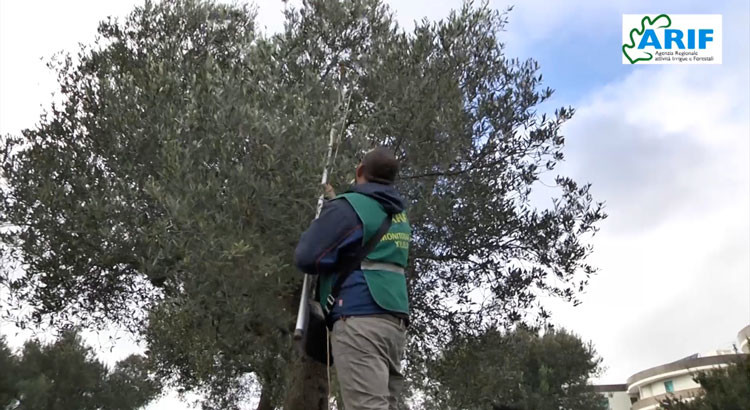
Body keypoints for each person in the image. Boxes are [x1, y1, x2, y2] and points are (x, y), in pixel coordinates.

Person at [295, 146, 411, 410]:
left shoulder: (349, 208)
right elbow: (363, 240)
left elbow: (307, 257)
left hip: (359, 319)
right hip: (393, 323)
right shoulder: (399, 215)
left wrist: (329, 215)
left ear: (359, 170)